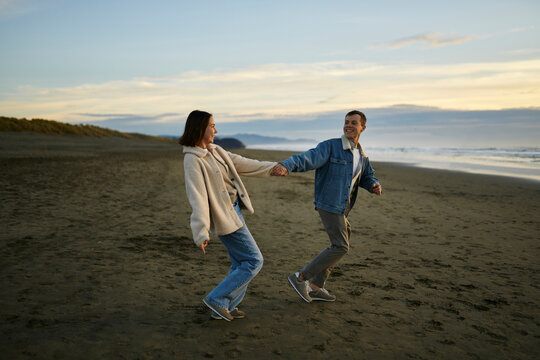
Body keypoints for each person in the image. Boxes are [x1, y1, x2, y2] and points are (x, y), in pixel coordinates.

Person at [271, 110, 382, 303]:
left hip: (343, 206)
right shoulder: (330, 146)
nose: (348, 125)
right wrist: (287, 165)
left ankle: (316, 287)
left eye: (353, 123)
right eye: (346, 122)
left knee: (344, 235)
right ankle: (301, 278)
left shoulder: (361, 154)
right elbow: (307, 158)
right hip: (329, 203)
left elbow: (366, 175)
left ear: (362, 128)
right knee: (341, 246)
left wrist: (373, 185)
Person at [180, 110, 277, 321]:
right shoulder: (192, 160)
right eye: (212, 126)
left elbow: (242, 163)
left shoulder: (215, 150)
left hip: (235, 210)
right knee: (253, 260)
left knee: (240, 264)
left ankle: (227, 305)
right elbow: (197, 197)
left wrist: (272, 168)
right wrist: (201, 231)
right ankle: (217, 299)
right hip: (224, 217)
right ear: (200, 128)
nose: (216, 130)